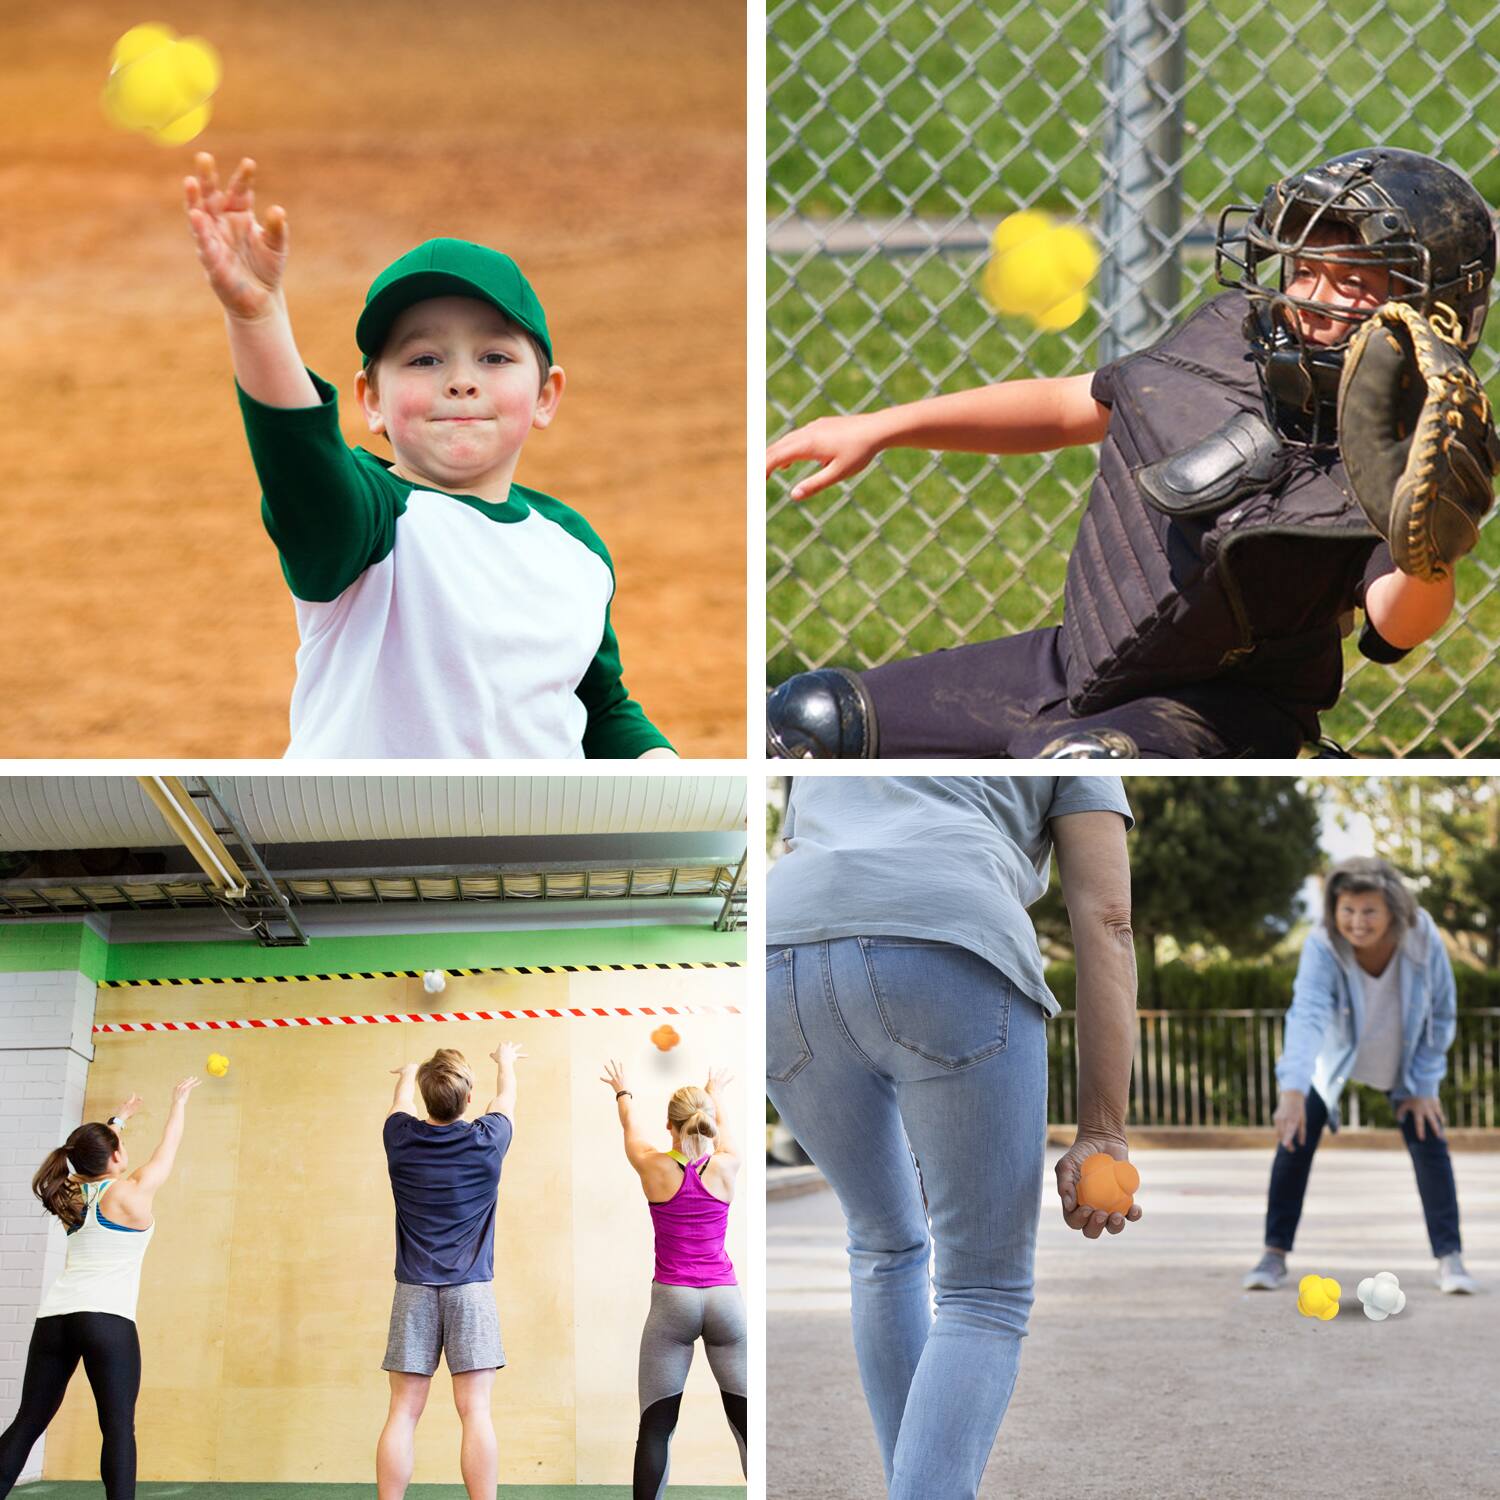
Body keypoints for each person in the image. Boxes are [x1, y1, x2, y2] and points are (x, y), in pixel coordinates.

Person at [765, 147, 1495, 758]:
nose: (1309, 300)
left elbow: (1397, 624)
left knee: (1081, 763)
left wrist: (1426, 554)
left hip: (1221, 710)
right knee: (812, 722)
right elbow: (1064, 406)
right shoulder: (1232, 344)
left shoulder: (1407, 446)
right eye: (1303, 269)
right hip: (1073, 663)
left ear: (1432, 311)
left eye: (1353, 285)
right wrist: (883, 426)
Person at [183, 151, 674, 760]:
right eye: (423, 359)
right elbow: (302, 465)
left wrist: (659, 765)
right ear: (372, 401)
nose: (461, 381)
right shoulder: (369, 520)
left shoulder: (575, 546)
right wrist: (258, 319)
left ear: (546, 396)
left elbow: (597, 705)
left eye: (494, 357)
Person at [766, 776, 1140, 1500]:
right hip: (949, 936)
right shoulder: (1074, 729)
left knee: (882, 1245)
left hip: (783, 949)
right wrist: (1102, 1129)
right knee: (983, 1289)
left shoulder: (840, 721)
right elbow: (1108, 918)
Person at [1243, 856, 1480, 1295]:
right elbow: (1307, 1013)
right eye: (1347, 909)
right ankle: (1273, 1255)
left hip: (1403, 1059)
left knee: (1429, 1138)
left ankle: (1451, 1259)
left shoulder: (1421, 937)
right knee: (1294, 1138)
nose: (1357, 922)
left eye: (1369, 910)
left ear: (1393, 910)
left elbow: (1442, 1012)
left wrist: (1425, 1083)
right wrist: (1292, 1088)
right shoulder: (1323, 944)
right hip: (1331, 1060)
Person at [0, 1078, 201, 1498]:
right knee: (117, 1429)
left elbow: (92, 1156)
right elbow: (169, 1148)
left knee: (28, 1422)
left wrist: (117, 1122)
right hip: (107, 1320)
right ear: (116, 1156)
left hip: (55, 1319)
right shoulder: (131, 1192)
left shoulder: (69, 1195)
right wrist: (179, 1103)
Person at [378, 1043, 523, 1500]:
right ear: (468, 1097)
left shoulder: (399, 1138)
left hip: (414, 1291)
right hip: (471, 1292)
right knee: (475, 1411)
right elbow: (506, 1098)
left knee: (403, 1411)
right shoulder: (488, 1140)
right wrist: (505, 1061)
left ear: (426, 1095)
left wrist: (409, 1072)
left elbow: (400, 1103)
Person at [600, 1061, 746, 1499]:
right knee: (746, 1424)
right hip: (724, 1301)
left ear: (670, 1126)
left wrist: (622, 1091)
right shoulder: (728, 1164)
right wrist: (715, 1092)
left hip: (673, 1302)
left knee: (656, 1427)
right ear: (709, 1123)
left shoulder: (653, 1166)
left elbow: (630, 1127)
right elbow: (724, 1131)